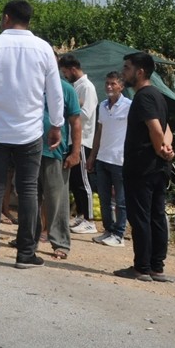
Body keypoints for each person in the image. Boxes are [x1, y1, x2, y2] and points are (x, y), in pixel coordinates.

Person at [0, 0, 64, 269]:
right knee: (28, 189)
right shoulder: (43, 48)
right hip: (30, 132)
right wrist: (56, 124)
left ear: (6, 17)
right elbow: (54, 91)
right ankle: (25, 253)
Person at [116, 52, 175, 283]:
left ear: (140, 72)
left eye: (127, 67)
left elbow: (155, 128)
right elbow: (167, 128)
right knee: (156, 216)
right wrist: (166, 148)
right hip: (157, 168)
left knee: (141, 217)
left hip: (142, 167)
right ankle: (156, 267)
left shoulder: (144, 97)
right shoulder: (158, 96)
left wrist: (160, 148)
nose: (124, 72)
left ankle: (142, 267)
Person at [37, 75, 81, 260]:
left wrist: (75, 152)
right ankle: (28, 237)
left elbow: (76, 122)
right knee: (29, 197)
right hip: (29, 149)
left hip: (55, 152)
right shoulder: (32, 82)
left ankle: (60, 242)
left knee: (57, 200)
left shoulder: (66, 89)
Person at [88, 71, 130, 247]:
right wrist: (92, 156)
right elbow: (99, 132)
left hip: (120, 160)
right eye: (107, 83)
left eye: (113, 83)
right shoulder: (103, 106)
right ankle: (108, 230)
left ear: (121, 86)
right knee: (104, 199)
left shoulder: (129, 106)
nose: (109, 87)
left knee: (121, 201)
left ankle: (119, 234)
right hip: (103, 158)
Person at [59, 54, 98, 235]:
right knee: (75, 181)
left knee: (83, 181)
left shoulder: (87, 87)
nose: (65, 76)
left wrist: (69, 109)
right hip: (71, 139)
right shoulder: (76, 87)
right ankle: (81, 215)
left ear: (73, 69)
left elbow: (85, 114)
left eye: (65, 72)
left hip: (82, 140)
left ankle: (90, 220)